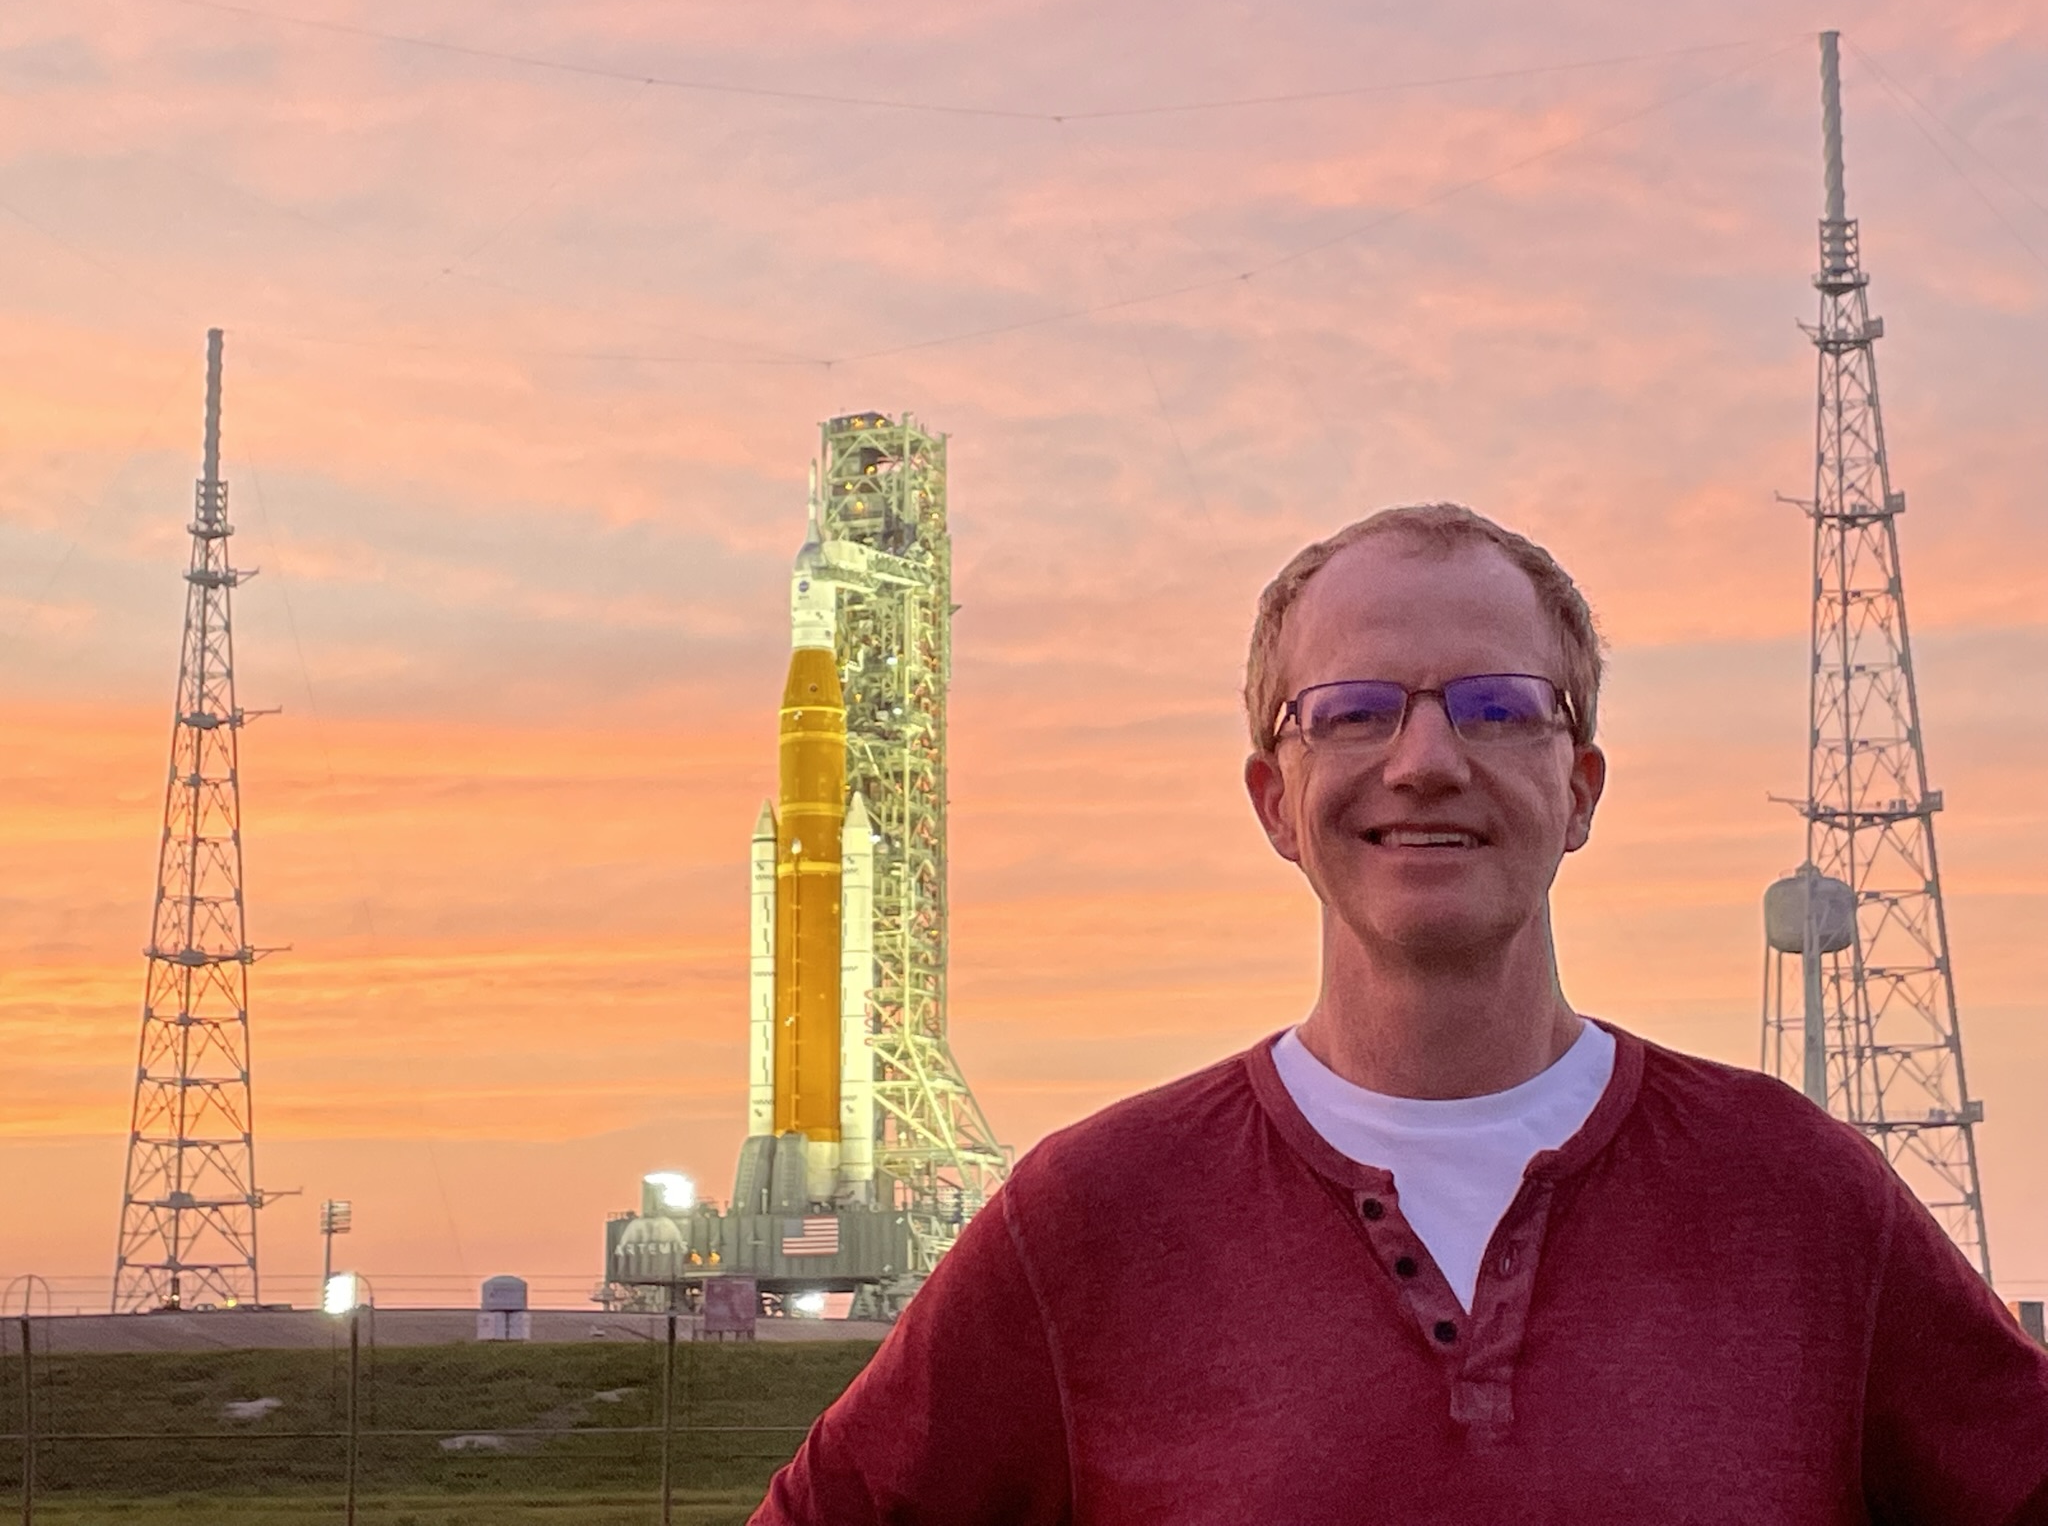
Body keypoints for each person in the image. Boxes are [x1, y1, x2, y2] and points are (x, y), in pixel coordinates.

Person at [752, 503, 2048, 1524]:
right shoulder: (1091, 1220)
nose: (1425, 760)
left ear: (1581, 787)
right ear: (1273, 799)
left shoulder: (1802, 1201)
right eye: (1355, 711)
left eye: (1497, 708)